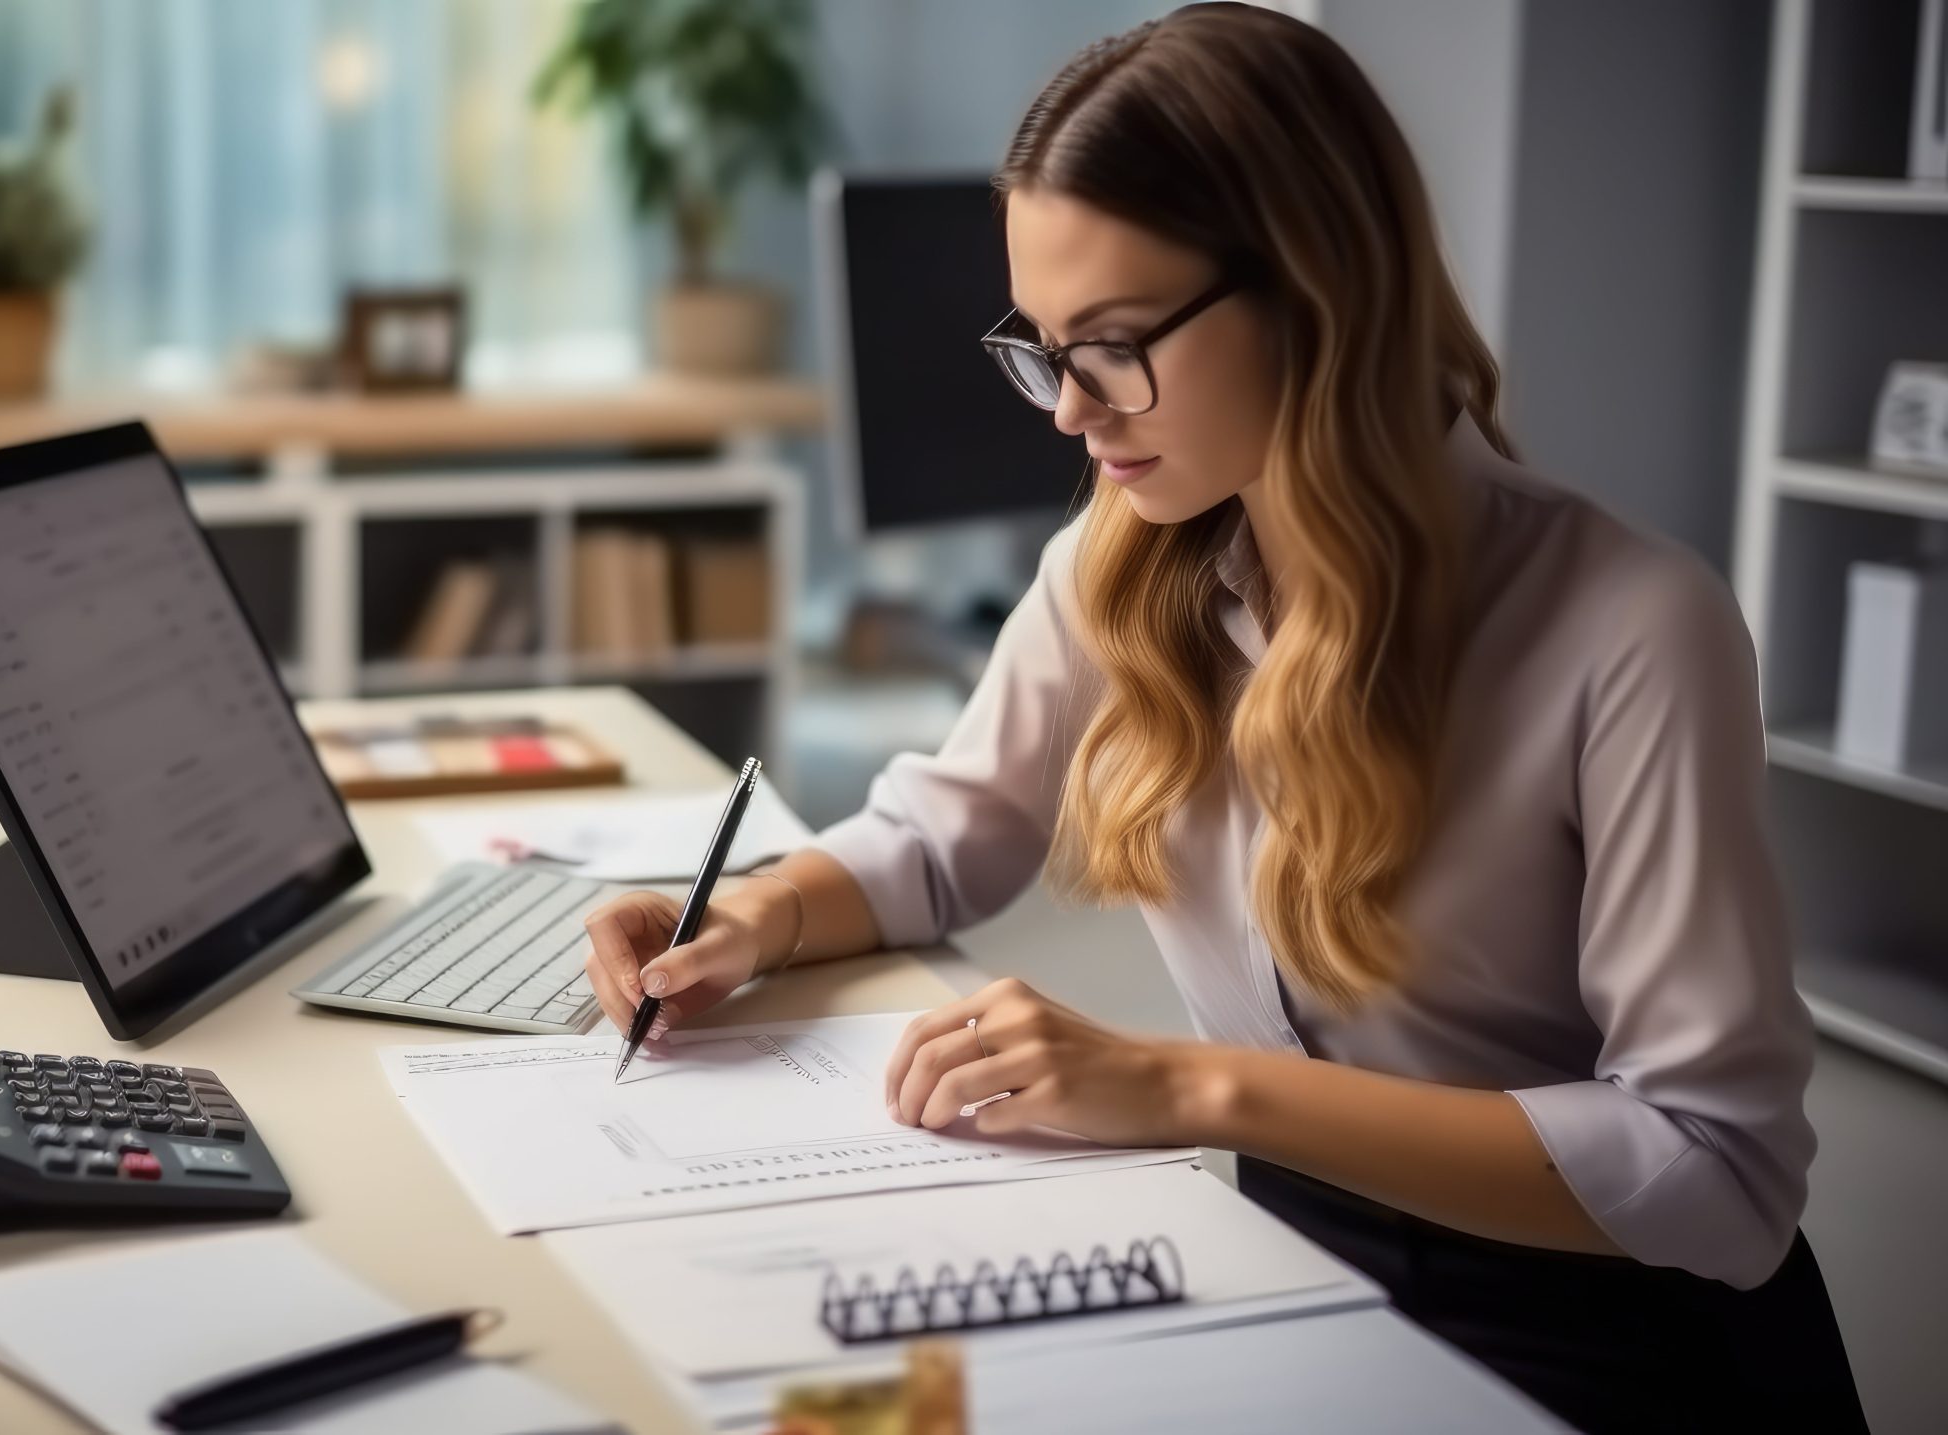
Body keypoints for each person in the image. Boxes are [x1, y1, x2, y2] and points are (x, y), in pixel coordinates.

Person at [579, 6, 1865, 1431]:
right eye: (1044, 349)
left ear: (1314, 295)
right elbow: (940, 842)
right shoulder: (1130, 557)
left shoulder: (1631, 625)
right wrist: (752, 921)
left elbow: (1719, 1175)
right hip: (1302, 1282)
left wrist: (1192, 1085)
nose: (1068, 414)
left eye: (1114, 348)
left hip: (1615, 1347)